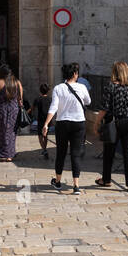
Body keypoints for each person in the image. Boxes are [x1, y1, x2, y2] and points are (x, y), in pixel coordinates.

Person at [94, 61, 128, 192]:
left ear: (115, 72)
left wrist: (97, 122)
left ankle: (106, 179)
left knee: (109, 152)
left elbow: (104, 108)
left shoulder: (111, 87)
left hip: (114, 122)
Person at [43, 62, 90, 194]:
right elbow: (88, 101)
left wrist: (46, 123)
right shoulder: (82, 87)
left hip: (62, 123)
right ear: (75, 74)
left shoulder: (58, 88)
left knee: (61, 153)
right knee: (76, 154)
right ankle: (76, 186)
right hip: (78, 123)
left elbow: (54, 107)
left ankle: (58, 182)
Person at [0, 64, 24, 162]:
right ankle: (10, 154)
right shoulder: (17, 82)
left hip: (2, 110)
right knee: (12, 132)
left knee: (0, 131)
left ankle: (0, 152)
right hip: (14, 110)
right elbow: (20, 98)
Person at [32, 83, 52, 159]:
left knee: (40, 135)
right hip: (48, 119)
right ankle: (45, 149)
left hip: (40, 119)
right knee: (45, 135)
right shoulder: (50, 99)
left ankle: (44, 149)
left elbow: (33, 108)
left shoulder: (38, 99)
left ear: (40, 91)